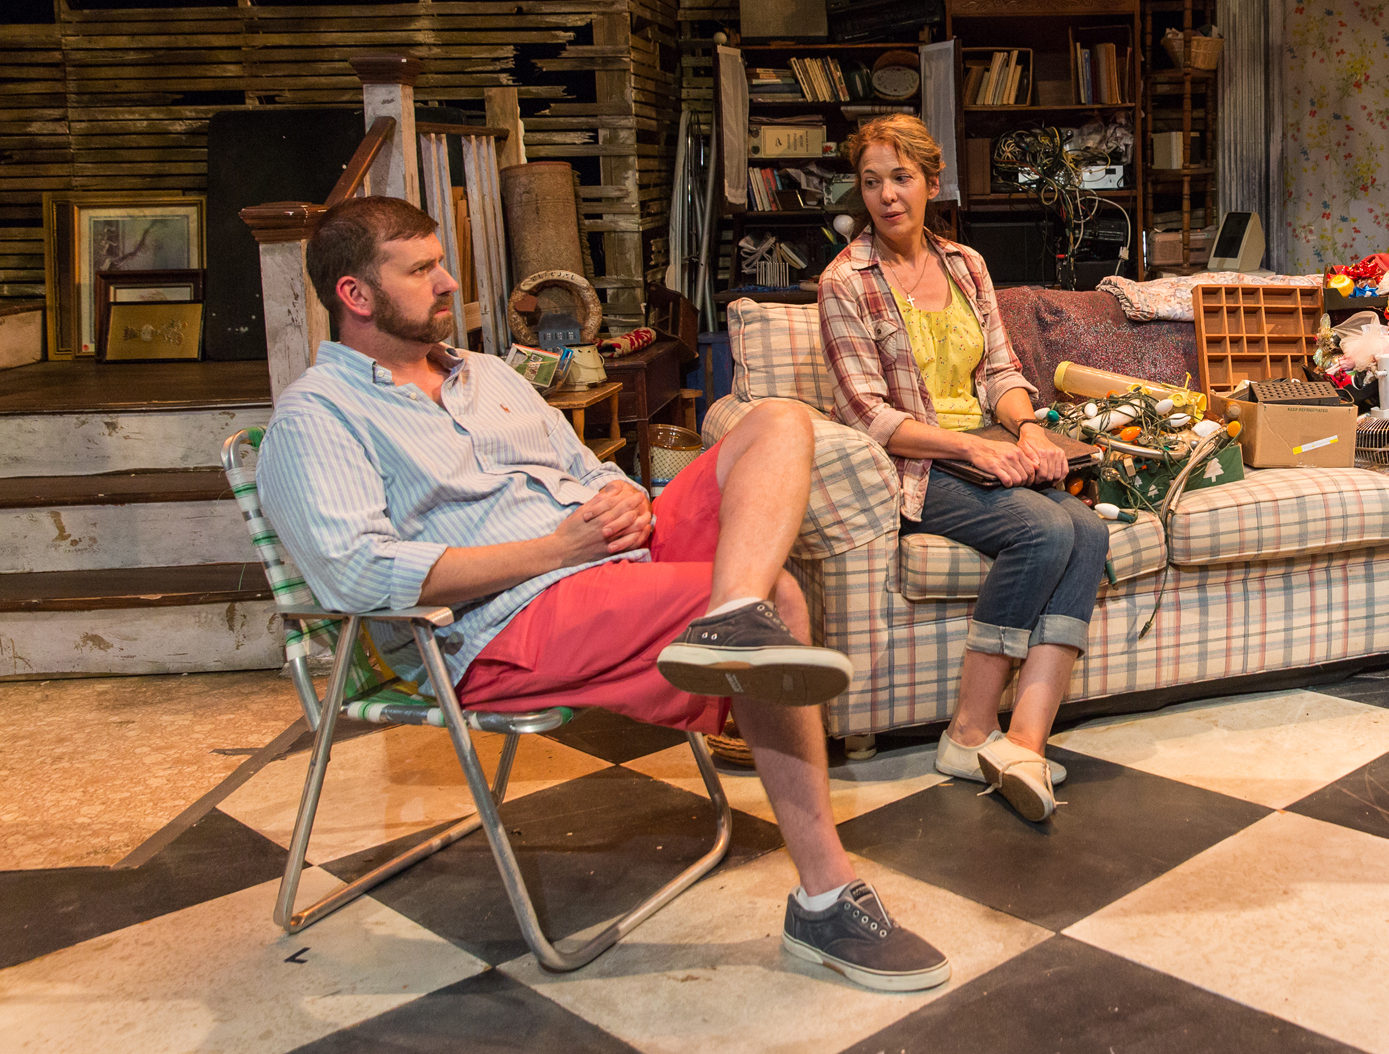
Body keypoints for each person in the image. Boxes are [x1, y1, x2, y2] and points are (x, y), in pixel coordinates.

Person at [256, 195, 949, 990]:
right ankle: (825, 899)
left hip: (608, 556)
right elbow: (360, 574)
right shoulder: (317, 416)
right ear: (355, 294)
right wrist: (559, 547)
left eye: (442, 261)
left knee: (779, 421)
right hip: (501, 622)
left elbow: (587, 474)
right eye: (421, 270)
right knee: (783, 600)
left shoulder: (488, 375)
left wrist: (627, 498)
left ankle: (731, 616)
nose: (449, 281)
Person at [817, 114, 1109, 823]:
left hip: (988, 446)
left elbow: (1000, 371)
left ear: (931, 183)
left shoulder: (964, 264)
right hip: (916, 465)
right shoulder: (844, 282)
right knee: (1043, 530)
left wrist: (1030, 426)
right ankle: (966, 733)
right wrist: (971, 448)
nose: (887, 195)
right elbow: (868, 417)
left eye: (902, 178)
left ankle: (1024, 742)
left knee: (1090, 532)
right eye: (872, 182)